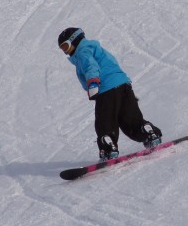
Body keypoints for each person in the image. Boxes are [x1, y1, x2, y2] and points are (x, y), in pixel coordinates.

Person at [57, 27, 162, 161]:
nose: (66, 51)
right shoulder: (98, 49)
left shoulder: (82, 52)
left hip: (105, 89)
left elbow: (91, 66)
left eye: (65, 46)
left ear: (74, 41)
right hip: (123, 84)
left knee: (105, 121)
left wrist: (93, 82)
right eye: (62, 49)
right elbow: (113, 64)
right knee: (130, 119)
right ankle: (147, 132)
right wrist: (124, 90)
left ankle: (108, 149)